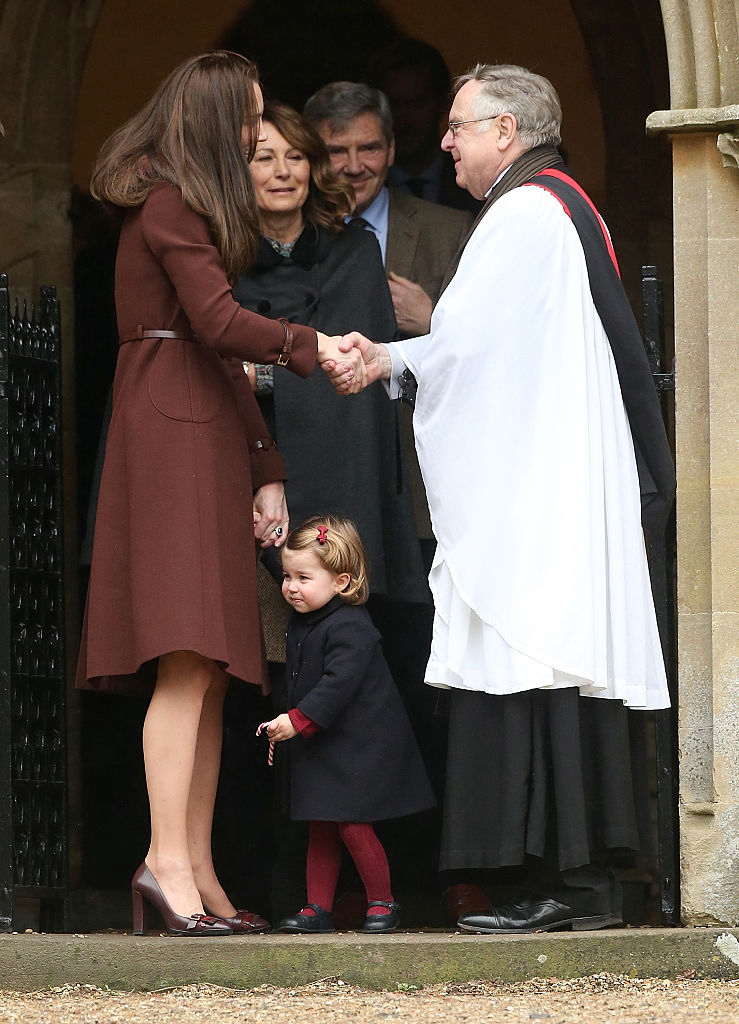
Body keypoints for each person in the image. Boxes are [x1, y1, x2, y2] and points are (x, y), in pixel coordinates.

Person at [328, 64, 676, 933]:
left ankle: (566, 884)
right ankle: (576, 883)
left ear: (506, 131)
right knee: (553, 669)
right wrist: (401, 358)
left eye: (459, 126)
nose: (444, 142)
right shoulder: (556, 204)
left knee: (538, 661)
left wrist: (384, 359)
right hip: (555, 481)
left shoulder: (523, 214)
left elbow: (468, 350)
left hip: (540, 496)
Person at [75, 50, 363, 937]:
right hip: (171, 431)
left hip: (195, 422)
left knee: (204, 666)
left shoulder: (185, 206)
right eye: (245, 117)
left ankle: (193, 868)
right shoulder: (168, 202)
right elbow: (216, 324)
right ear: (210, 120)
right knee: (183, 658)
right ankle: (165, 866)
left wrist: (265, 462)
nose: (254, 133)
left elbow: (217, 350)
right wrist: (314, 345)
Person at [233, 100, 426, 607]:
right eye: (264, 158)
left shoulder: (355, 252)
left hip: (343, 470)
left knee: (343, 624)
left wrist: (262, 375)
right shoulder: (222, 259)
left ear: (313, 169)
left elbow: (359, 368)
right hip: (253, 468)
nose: (282, 171)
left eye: (295, 157)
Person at [261, 516, 435, 934]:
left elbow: (338, 684)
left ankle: (383, 902)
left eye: (303, 577)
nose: (291, 587)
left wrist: (297, 719)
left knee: (354, 825)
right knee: (320, 825)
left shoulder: (352, 627)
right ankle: (317, 907)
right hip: (324, 745)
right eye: (287, 576)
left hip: (356, 748)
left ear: (341, 582)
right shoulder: (305, 621)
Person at [369, 37, 479, 213]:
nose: (403, 119)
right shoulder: (363, 184)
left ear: (443, 104)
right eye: (392, 105)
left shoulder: (476, 180)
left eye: (416, 103)